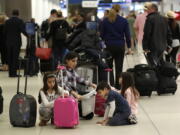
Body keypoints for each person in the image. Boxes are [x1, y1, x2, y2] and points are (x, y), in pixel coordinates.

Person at [100, 7, 131, 89]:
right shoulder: (124, 21)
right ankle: (118, 85)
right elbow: (127, 35)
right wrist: (129, 47)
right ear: (119, 11)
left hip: (108, 47)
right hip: (120, 46)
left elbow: (101, 35)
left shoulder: (105, 21)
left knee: (109, 67)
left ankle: (111, 84)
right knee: (119, 67)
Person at [5, 9, 27, 77]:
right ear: (18, 14)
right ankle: (14, 73)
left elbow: (4, 32)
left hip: (8, 42)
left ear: (12, 14)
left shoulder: (7, 21)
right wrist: (28, 35)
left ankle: (10, 73)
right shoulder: (19, 21)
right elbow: (23, 30)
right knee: (15, 58)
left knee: (10, 57)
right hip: (16, 42)